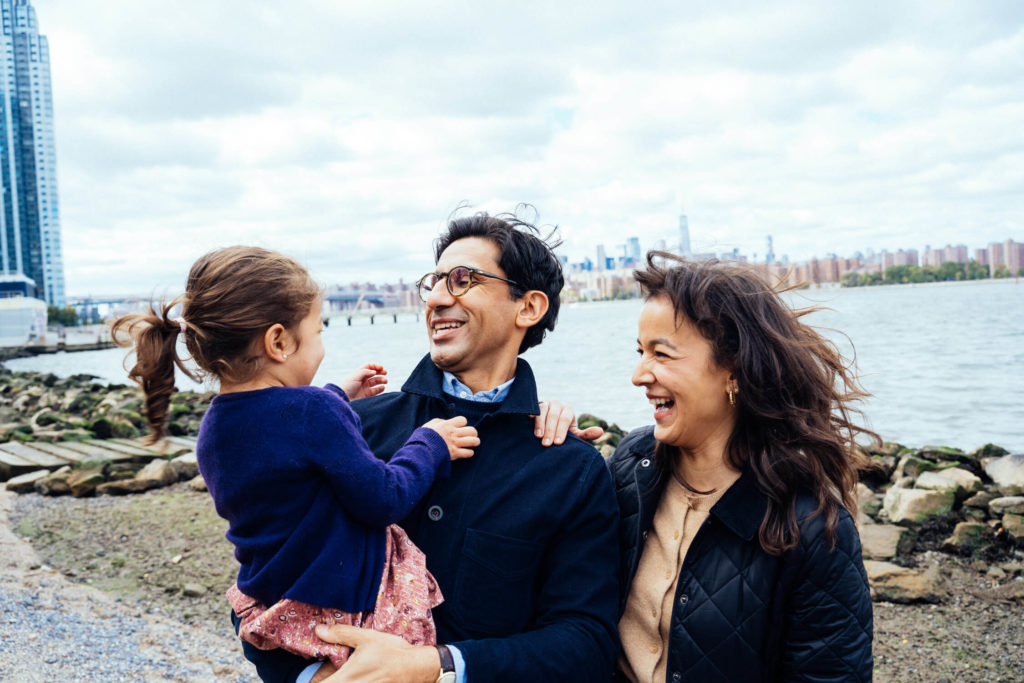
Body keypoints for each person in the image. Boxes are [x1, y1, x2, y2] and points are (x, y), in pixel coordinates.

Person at [241, 210, 621, 683]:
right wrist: (315, 677)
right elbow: (259, 586)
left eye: (463, 280)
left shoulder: (570, 467)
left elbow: (585, 642)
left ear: (528, 308)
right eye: (435, 281)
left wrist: (437, 666)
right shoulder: (351, 429)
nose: (438, 297)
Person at [111, 246, 481, 668]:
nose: (321, 345)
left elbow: (280, 446)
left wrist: (338, 396)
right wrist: (429, 443)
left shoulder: (214, 426)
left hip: (276, 608)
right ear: (278, 341)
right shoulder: (313, 413)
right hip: (342, 607)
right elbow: (384, 499)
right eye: (319, 331)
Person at [609, 252, 875, 682]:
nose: (640, 374)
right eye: (641, 352)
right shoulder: (631, 466)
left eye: (662, 354)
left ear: (733, 369)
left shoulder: (808, 526)